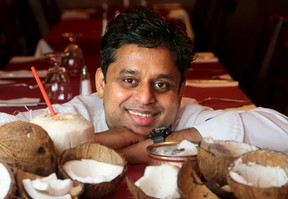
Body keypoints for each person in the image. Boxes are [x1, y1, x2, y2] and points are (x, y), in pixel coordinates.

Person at [1, 6, 288, 163]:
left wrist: (157, 144)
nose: (145, 97)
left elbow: (281, 130)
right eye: (129, 80)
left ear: (181, 89)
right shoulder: (80, 115)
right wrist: (93, 142)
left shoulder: (186, 115)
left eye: (162, 85)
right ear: (101, 83)